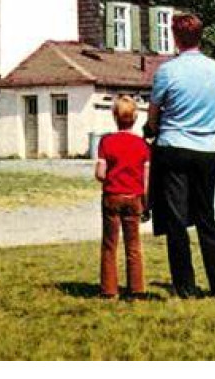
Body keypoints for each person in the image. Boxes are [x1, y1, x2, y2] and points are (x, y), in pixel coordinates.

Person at [147, 13, 215, 299]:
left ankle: (185, 286)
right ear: (200, 36)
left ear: (175, 37)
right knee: (207, 217)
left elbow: (154, 115)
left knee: (176, 220)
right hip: (207, 148)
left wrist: (151, 129)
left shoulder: (167, 72)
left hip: (174, 146)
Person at [95, 94, 151, 300]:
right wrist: (146, 203)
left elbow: (100, 173)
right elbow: (146, 180)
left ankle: (109, 289)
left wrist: (110, 178)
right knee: (133, 244)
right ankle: (137, 289)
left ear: (114, 116)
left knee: (110, 244)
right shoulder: (143, 145)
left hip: (112, 195)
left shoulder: (106, 141)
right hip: (134, 197)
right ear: (136, 117)